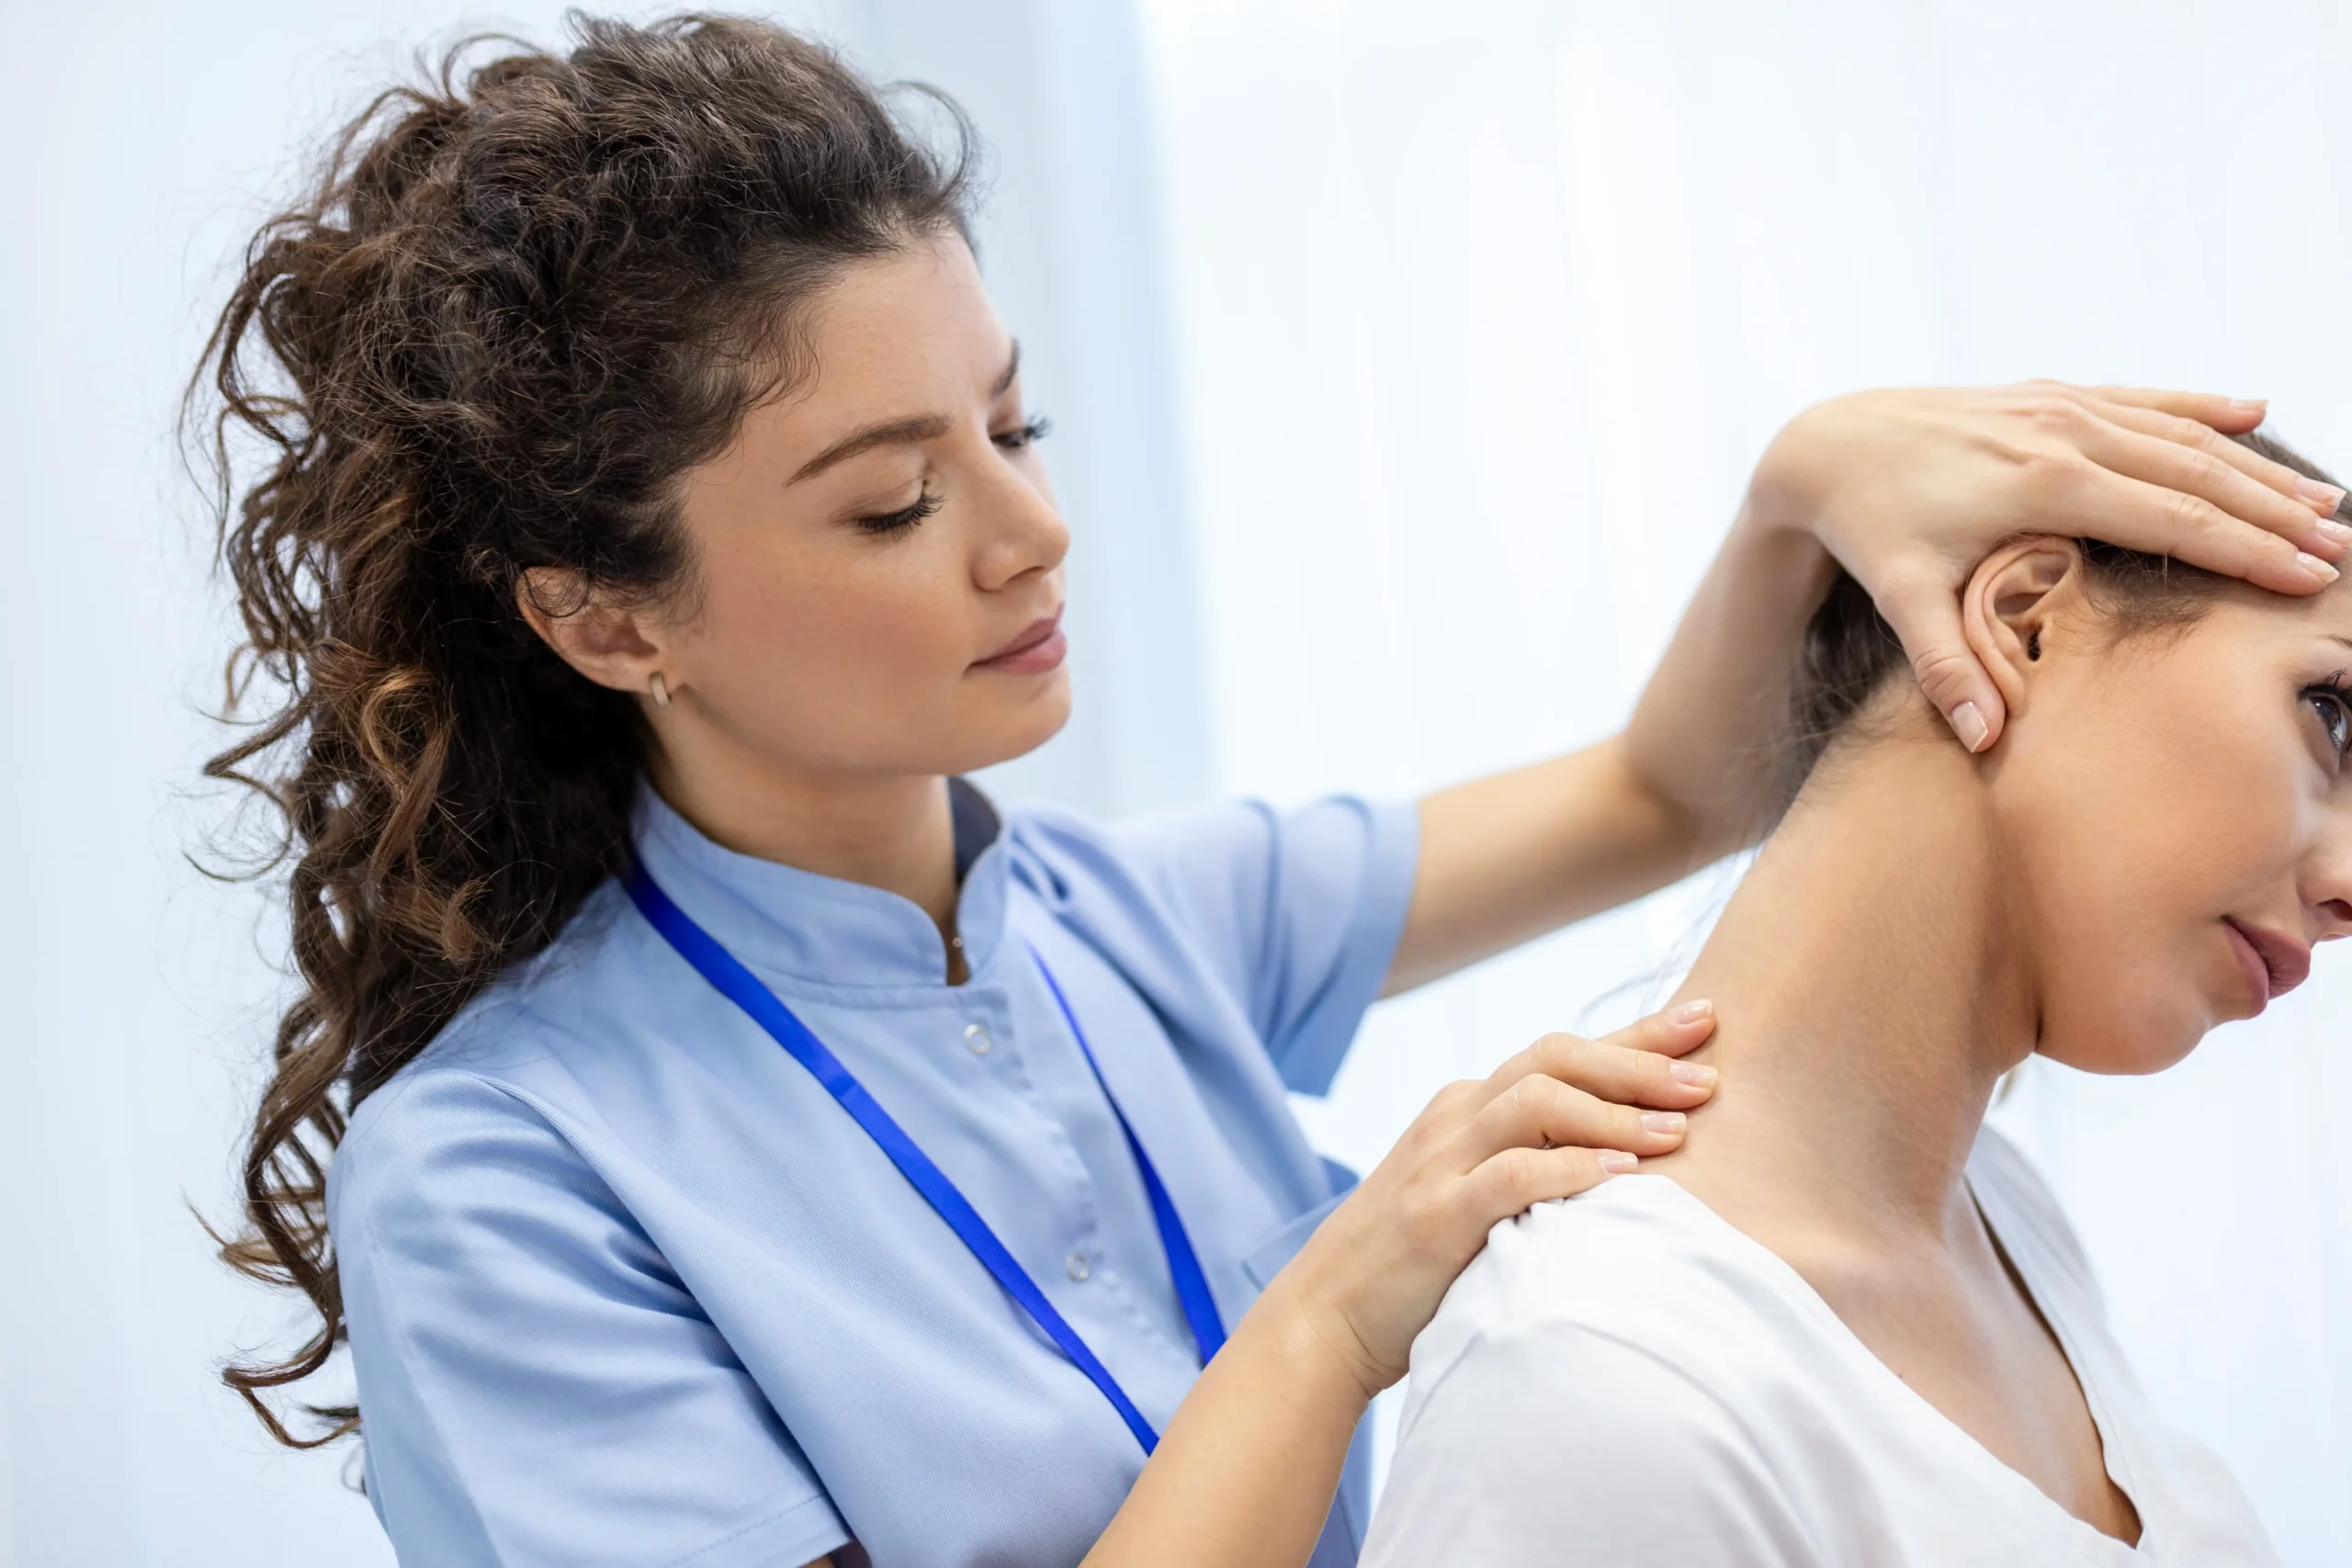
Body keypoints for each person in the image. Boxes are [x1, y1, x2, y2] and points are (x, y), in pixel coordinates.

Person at [189, 16, 2348, 1568]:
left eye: (1014, 429)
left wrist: (1803, 478)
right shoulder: (501, 1179)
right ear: (601, 615)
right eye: (891, 501)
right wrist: (1331, 1307)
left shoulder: (1134, 923)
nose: (1029, 535)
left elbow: (1662, 785)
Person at [1360, 433, 2350, 1566]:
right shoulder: (1605, 1372)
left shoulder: (2001, 1222)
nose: (2348, 890)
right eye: (2331, 714)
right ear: (2025, 618)